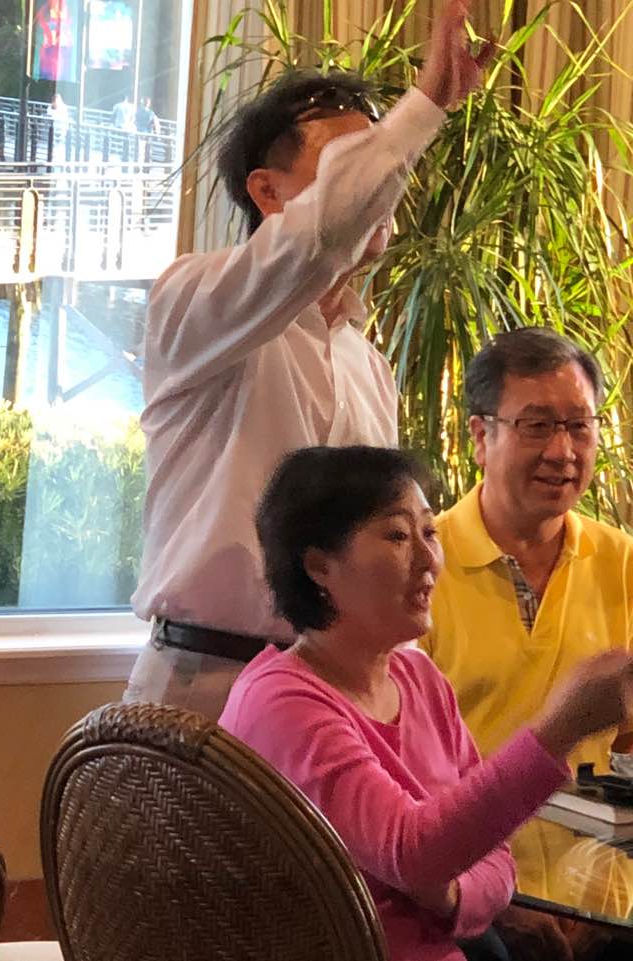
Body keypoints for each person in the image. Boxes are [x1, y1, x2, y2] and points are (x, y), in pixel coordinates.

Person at [124, 0, 495, 716]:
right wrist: (425, 107)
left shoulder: (369, 366)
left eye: (378, 166)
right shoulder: (194, 303)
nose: (378, 188)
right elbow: (312, 241)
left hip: (333, 689)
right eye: (348, 168)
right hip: (206, 684)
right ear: (268, 192)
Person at [218, 444, 633, 961]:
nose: (428, 559)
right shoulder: (281, 702)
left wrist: (454, 893)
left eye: (430, 533)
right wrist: (559, 728)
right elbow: (414, 853)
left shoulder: (419, 679)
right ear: (319, 566)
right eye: (397, 535)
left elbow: (495, 854)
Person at [418, 327, 633, 958]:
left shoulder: (622, 562)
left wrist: (609, 897)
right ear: (480, 437)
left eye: (580, 426)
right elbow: (400, 782)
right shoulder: (418, 569)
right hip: (461, 891)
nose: (563, 451)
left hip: (600, 889)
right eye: (537, 426)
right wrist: (492, 896)